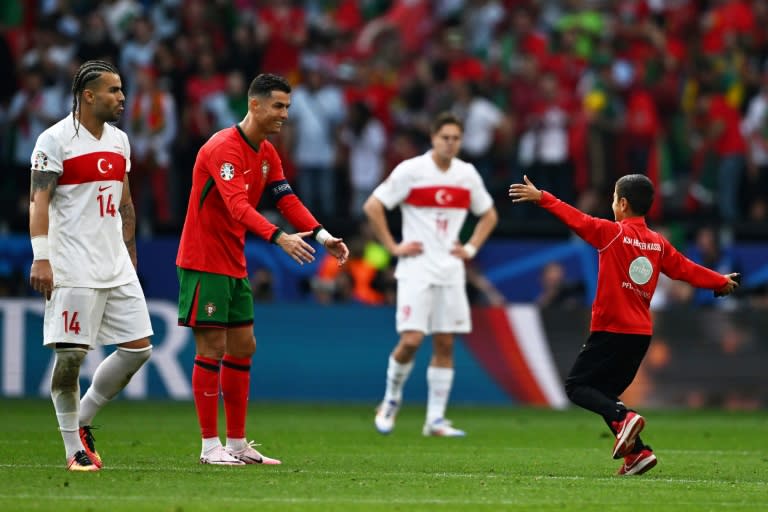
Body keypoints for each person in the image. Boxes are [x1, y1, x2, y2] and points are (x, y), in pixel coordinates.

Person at [508, 173, 740, 475]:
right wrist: (719, 280)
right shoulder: (657, 243)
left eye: (614, 198)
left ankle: (624, 419)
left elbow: (577, 219)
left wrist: (543, 198)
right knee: (604, 393)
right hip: (640, 334)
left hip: (611, 330)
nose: (612, 203)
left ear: (623, 203)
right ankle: (638, 453)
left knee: (578, 386)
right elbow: (686, 269)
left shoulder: (611, 233)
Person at [176, 73, 349, 465]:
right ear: (254, 105)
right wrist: (280, 238)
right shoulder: (224, 148)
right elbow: (238, 207)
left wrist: (322, 236)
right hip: (204, 260)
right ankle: (209, 446)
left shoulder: (267, 152)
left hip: (232, 261)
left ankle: (236, 444)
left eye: (287, 107)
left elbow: (287, 200)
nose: (285, 114)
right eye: (278, 106)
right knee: (212, 348)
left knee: (243, 346)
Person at [28, 60, 154, 472]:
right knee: (70, 360)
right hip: (72, 266)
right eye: (114, 90)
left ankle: (82, 420)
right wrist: (41, 256)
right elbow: (38, 202)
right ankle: (73, 451)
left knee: (139, 349)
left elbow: (126, 201)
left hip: (115, 263)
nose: (122, 98)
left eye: (121, 90)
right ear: (88, 95)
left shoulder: (119, 140)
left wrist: (130, 252)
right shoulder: (54, 140)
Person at [364, 112, 498, 437]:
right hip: (417, 268)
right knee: (410, 340)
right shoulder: (411, 171)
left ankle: (435, 420)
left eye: (456, 138)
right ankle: (390, 400)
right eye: (445, 137)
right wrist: (393, 247)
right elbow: (373, 205)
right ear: (433, 137)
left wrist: (470, 249)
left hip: (450, 269)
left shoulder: (466, 174)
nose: (450, 143)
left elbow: (489, 214)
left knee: (445, 342)